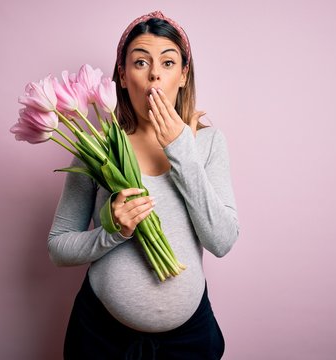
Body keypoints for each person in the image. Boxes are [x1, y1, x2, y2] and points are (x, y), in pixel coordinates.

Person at [48, 10, 240, 359]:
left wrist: (182, 150)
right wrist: (113, 231)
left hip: (188, 341)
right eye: (140, 62)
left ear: (183, 76)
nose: (154, 73)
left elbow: (222, 241)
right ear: (121, 76)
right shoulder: (97, 148)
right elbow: (58, 248)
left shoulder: (208, 143)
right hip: (101, 337)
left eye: (168, 63)